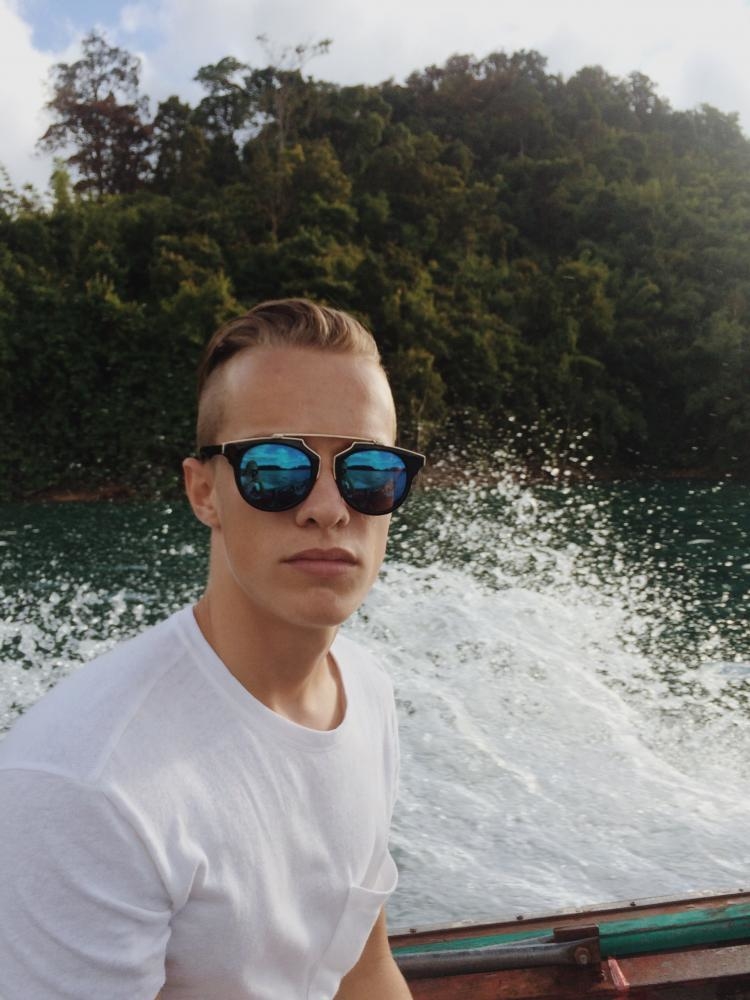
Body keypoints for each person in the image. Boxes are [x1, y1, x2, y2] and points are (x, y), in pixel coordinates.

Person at [0, 299, 423, 999]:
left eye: (368, 471)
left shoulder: (365, 692)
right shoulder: (86, 787)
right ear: (203, 492)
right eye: (276, 468)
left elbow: (362, 971)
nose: (328, 508)